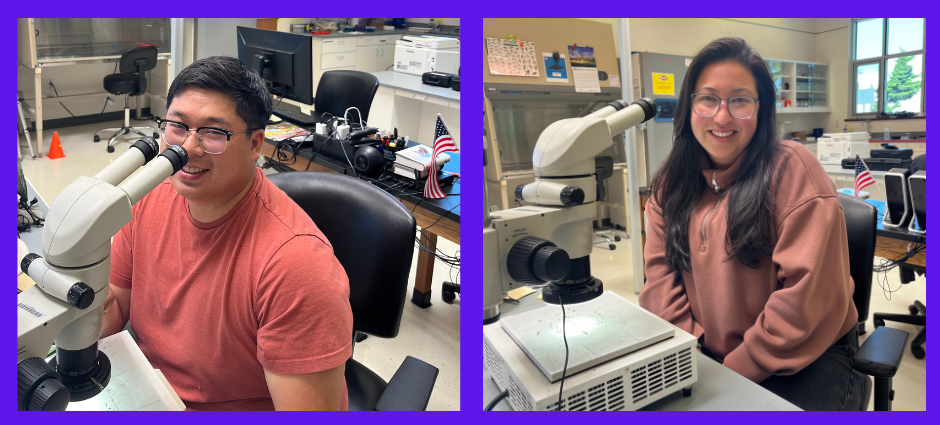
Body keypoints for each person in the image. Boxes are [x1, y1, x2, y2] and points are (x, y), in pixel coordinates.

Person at [101, 56, 353, 410]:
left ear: (255, 145)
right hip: (147, 393)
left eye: (214, 132)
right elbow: (114, 307)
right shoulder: (149, 196)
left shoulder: (296, 265)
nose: (187, 149)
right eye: (177, 126)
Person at [639, 38, 867, 411]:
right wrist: (694, 355)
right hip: (703, 355)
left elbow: (804, 301)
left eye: (740, 100)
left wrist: (733, 371)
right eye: (708, 98)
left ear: (762, 109)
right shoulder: (671, 183)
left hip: (803, 356)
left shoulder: (793, 172)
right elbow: (660, 282)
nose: (722, 117)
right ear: (689, 106)